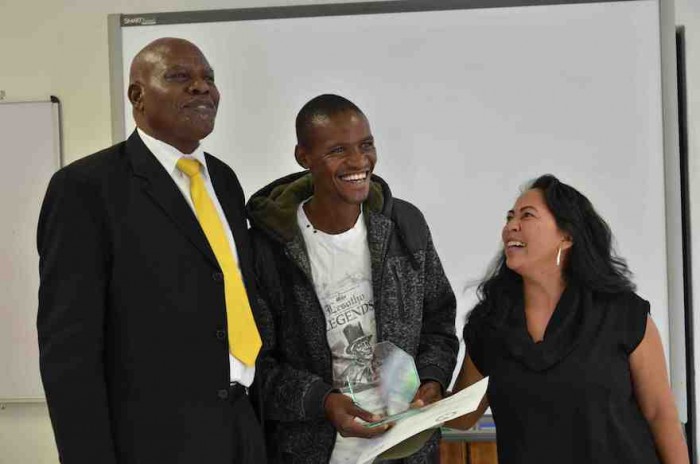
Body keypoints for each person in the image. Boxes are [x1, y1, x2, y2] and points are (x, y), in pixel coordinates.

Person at [37, 38, 266, 464]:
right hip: (151, 443)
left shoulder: (225, 181)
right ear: (137, 96)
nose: (202, 88)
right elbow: (69, 354)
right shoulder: (86, 189)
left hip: (241, 428)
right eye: (180, 77)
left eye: (208, 79)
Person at [247, 94, 459, 463]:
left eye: (366, 146)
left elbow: (439, 322)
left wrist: (433, 379)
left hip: (406, 451)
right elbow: (256, 365)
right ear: (303, 157)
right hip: (313, 452)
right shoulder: (267, 249)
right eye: (337, 151)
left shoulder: (404, 226)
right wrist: (323, 401)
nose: (359, 161)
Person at [450, 174, 690, 463]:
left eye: (527, 216)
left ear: (567, 236)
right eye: (509, 217)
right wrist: (409, 406)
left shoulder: (622, 313)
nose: (510, 226)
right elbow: (462, 415)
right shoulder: (489, 325)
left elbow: (660, 414)